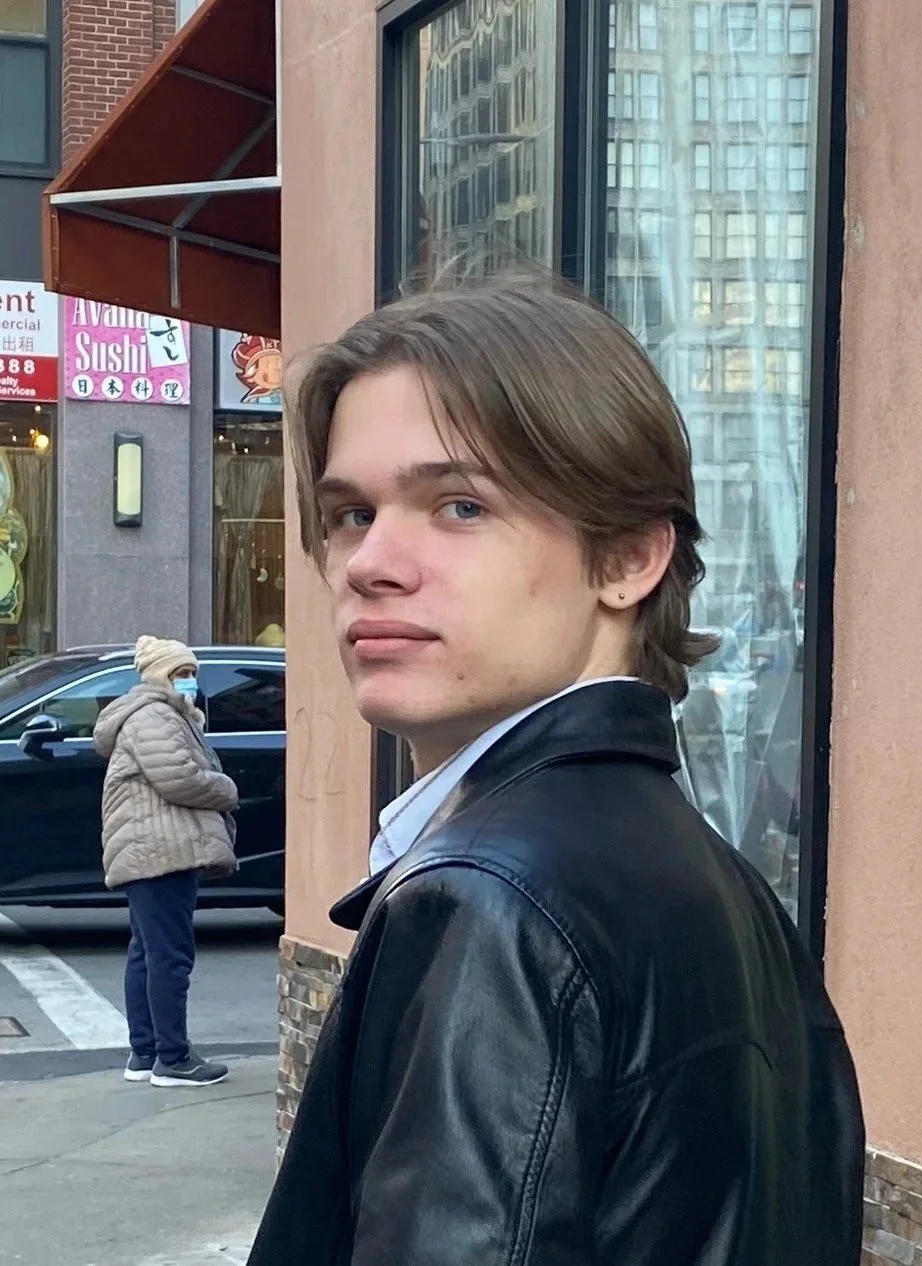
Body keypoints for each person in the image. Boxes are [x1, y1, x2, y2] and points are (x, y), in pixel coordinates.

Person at [247, 276, 864, 1265]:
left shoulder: (491, 900)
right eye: (350, 514)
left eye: (456, 505)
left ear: (626, 558)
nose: (371, 562)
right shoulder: (718, 883)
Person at [94, 635, 237, 1088]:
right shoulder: (154, 716)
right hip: (162, 850)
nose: (190, 682)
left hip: (151, 849)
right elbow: (179, 777)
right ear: (159, 677)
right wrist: (226, 788)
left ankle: (146, 1052)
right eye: (181, 674)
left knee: (148, 953)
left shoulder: (158, 715)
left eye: (193, 673)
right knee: (169, 957)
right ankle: (173, 1059)